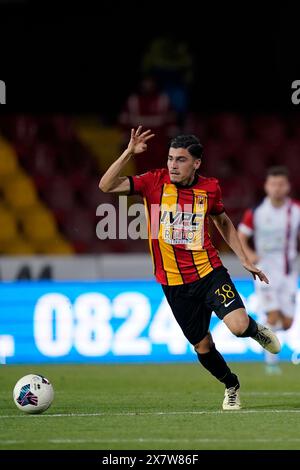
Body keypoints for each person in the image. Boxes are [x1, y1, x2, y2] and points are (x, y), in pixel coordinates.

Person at [99, 126, 281, 410]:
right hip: (173, 283)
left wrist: (243, 258)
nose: (172, 165)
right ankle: (231, 384)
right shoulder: (153, 182)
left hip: (209, 272)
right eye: (170, 158)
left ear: (196, 163)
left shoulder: (210, 188)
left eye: (180, 159)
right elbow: (106, 186)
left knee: (238, 326)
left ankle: (255, 330)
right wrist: (128, 153)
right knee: (203, 347)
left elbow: (222, 221)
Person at [238, 166, 300, 374]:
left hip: (289, 273)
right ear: (266, 186)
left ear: (288, 187)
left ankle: (260, 330)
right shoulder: (256, 213)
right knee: (273, 317)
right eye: (273, 184)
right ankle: (271, 364)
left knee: (288, 323)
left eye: (281, 184)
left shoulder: (296, 210)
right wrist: (249, 254)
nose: (277, 188)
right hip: (264, 272)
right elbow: (241, 236)